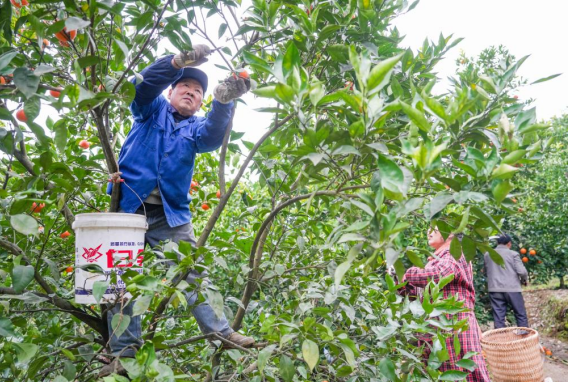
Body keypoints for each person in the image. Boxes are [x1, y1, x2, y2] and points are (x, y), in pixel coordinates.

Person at [99, 46, 253, 377]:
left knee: (191, 272)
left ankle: (222, 333)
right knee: (120, 282)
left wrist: (223, 101)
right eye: (185, 86)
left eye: (198, 91)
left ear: (200, 102)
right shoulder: (150, 110)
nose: (191, 92)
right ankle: (124, 353)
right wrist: (176, 63)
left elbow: (213, 135)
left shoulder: (196, 128)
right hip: (128, 210)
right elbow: (142, 89)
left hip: (170, 217)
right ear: (171, 91)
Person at [402, 229, 490, 381]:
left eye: (434, 228)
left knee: (465, 372)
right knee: (440, 374)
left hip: (454, 324)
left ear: (450, 232)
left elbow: (440, 274)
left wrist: (409, 273)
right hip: (436, 328)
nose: (428, 232)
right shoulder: (433, 261)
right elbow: (417, 295)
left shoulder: (455, 253)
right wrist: (401, 283)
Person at [484, 234, 529, 329]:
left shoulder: (488, 254)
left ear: (497, 242)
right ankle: (524, 338)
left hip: (495, 289)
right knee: (520, 314)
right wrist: (524, 280)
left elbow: (486, 271)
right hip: (512, 289)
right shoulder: (513, 254)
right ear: (509, 243)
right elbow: (521, 271)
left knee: (499, 318)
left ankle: (501, 341)